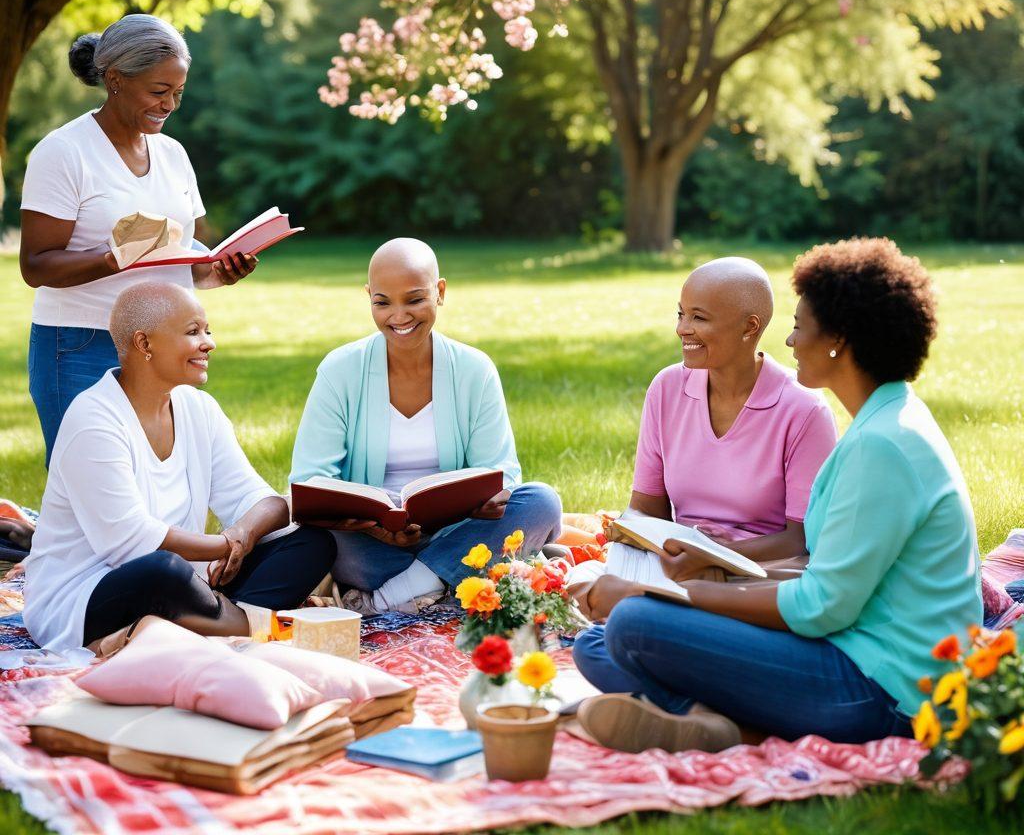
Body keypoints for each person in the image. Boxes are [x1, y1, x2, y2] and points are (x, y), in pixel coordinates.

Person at [572, 239, 983, 753]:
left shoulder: (881, 445)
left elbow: (819, 606)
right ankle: (720, 725)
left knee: (633, 625)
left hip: (887, 690)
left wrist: (662, 596)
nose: (787, 342)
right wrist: (718, 575)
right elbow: (830, 577)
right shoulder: (885, 423)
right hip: (856, 650)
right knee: (602, 642)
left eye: (798, 325)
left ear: (839, 340)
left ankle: (722, 725)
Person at [24, 281, 335, 655]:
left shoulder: (198, 409)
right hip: (86, 596)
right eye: (193, 332)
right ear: (144, 344)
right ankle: (251, 628)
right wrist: (222, 545)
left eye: (208, 330)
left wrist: (240, 535)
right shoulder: (93, 420)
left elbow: (266, 502)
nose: (209, 343)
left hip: (195, 583)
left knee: (311, 543)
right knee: (163, 571)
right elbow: (130, 544)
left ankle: (201, 626)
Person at [20, 15, 256, 463]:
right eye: (157, 91)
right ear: (114, 80)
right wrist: (111, 260)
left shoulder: (173, 154)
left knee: (160, 477)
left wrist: (221, 269)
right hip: (81, 343)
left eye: (177, 93)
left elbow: (190, 257)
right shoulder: (64, 151)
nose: (169, 104)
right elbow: (35, 266)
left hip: (164, 342)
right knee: (92, 480)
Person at [290, 238, 562, 614]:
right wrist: (375, 528)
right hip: (371, 546)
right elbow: (309, 480)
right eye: (382, 302)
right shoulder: (339, 371)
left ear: (440, 292)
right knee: (320, 539)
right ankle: (446, 582)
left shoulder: (474, 370)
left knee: (540, 501)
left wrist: (485, 504)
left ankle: (391, 597)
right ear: (369, 296)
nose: (399, 316)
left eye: (415, 299)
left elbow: (504, 476)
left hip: (458, 531)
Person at [572, 257, 836, 618]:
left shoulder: (804, 410)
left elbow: (800, 540)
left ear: (749, 327)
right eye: (680, 314)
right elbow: (646, 508)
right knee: (580, 582)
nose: (682, 329)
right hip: (676, 564)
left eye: (698, 318)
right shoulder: (667, 388)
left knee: (623, 621)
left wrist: (713, 558)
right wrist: (632, 539)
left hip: (755, 576)